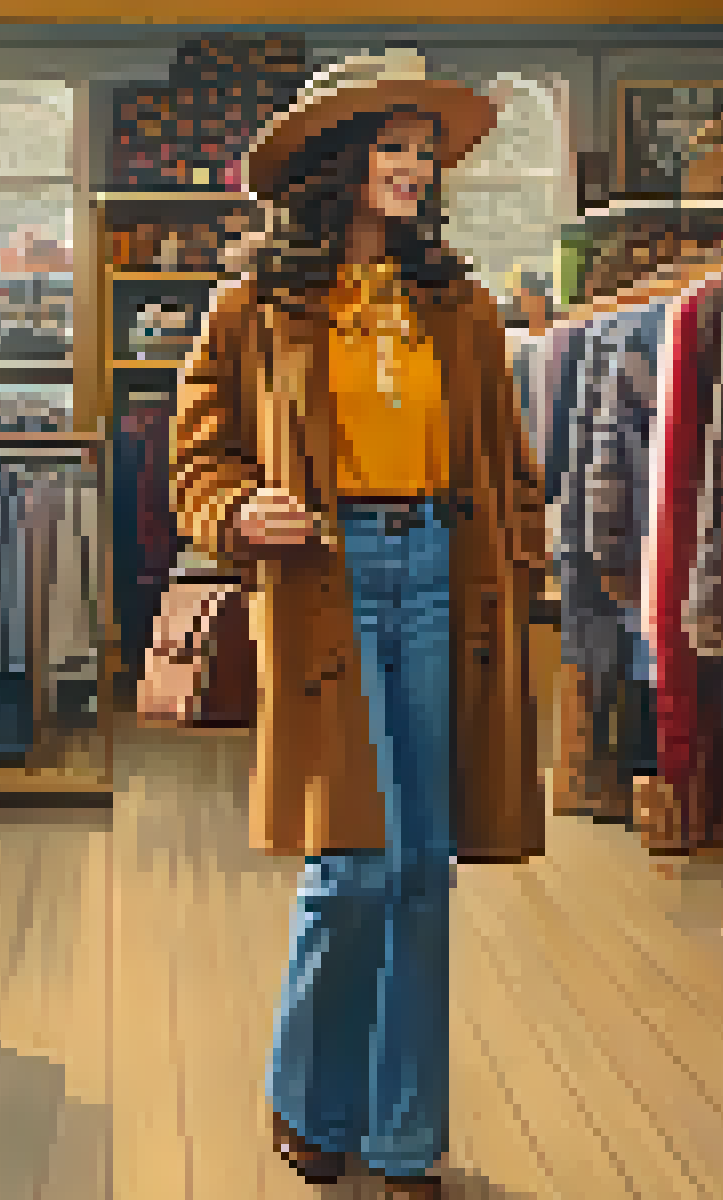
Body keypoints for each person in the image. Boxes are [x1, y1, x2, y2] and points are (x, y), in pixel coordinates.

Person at [170, 48, 549, 1197]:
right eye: (394, 147)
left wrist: (524, 566)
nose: (415, 170)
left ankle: (402, 1137)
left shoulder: (462, 306)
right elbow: (197, 459)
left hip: (443, 571)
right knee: (354, 863)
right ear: (338, 161)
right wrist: (239, 511)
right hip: (323, 580)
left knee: (423, 864)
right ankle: (307, 1097)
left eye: (425, 152)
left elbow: (511, 466)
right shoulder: (252, 308)